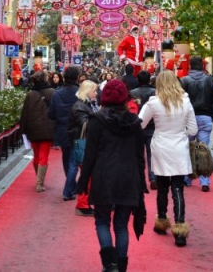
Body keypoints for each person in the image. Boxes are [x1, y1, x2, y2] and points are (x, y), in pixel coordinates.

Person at [76, 79, 145, 272]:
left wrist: (82, 182)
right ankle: (120, 265)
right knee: (122, 224)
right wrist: (141, 181)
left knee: (102, 221)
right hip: (128, 176)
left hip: (103, 175)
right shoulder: (134, 122)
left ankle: (110, 264)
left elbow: (90, 154)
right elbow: (140, 155)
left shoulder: (97, 120)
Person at [138, 70, 198, 247]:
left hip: (161, 145)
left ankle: (162, 220)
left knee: (162, 184)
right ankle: (179, 227)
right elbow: (193, 130)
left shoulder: (154, 103)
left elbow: (139, 123)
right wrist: (181, 134)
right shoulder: (185, 102)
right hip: (179, 146)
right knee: (178, 187)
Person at [180, 56, 213, 192]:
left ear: (190, 66)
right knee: (203, 148)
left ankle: (187, 178)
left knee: (188, 148)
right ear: (202, 66)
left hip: (188, 118)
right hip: (205, 117)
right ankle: (205, 181)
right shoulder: (209, 80)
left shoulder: (184, 80)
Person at [47, 65, 80, 201]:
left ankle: (71, 185)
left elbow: (51, 114)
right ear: (76, 78)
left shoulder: (57, 94)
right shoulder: (79, 93)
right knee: (74, 160)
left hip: (62, 130)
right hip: (76, 130)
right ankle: (69, 189)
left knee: (67, 159)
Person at [19, 71, 55, 192]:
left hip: (33, 128)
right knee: (44, 155)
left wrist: (23, 130)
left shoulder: (30, 94)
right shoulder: (51, 92)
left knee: (36, 154)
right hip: (48, 128)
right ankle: (39, 183)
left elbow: (24, 113)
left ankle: (39, 179)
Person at [69, 80, 99, 216]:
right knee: (87, 175)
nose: (96, 93)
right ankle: (82, 204)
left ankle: (85, 202)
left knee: (88, 175)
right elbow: (85, 124)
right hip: (85, 144)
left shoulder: (87, 104)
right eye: (94, 91)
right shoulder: (80, 106)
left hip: (89, 143)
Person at [131, 70, 157, 189]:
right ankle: (153, 177)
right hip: (152, 126)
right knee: (151, 153)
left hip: (137, 126)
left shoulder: (133, 93)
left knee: (138, 154)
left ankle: (138, 178)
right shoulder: (154, 92)